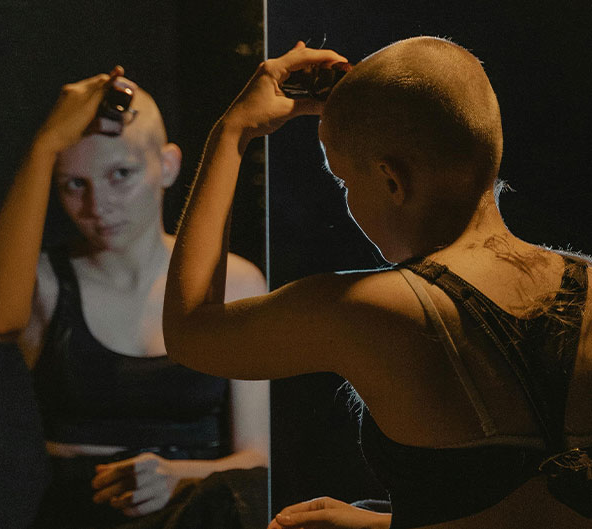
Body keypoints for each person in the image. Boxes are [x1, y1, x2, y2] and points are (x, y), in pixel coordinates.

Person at [162, 37, 592, 529]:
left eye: (345, 181)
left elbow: (189, 331)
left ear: (392, 180)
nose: (348, 201)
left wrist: (233, 131)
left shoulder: (369, 309)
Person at [0, 67, 268, 529]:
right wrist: (45, 145)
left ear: (167, 166)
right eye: (75, 184)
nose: (98, 206)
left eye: (121, 174)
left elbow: (258, 458)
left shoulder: (235, 282)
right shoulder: (45, 283)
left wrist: (178, 476)